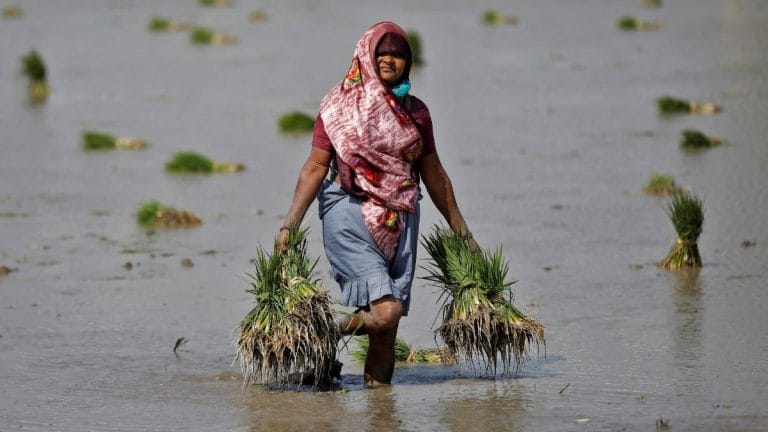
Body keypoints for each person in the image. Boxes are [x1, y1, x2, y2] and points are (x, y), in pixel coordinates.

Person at [277, 21, 477, 386]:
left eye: (399, 54)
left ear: (409, 62)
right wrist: (289, 224)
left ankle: (380, 409)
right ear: (365, 57)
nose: (390, 60)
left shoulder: (416, 112)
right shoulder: (338, 107)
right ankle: (325, 333)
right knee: (387, 312)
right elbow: (316, 167)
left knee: (386, 329)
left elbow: (433, 173)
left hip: (400, 218)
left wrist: (462, 232)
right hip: (348, 212)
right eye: (382, 52)